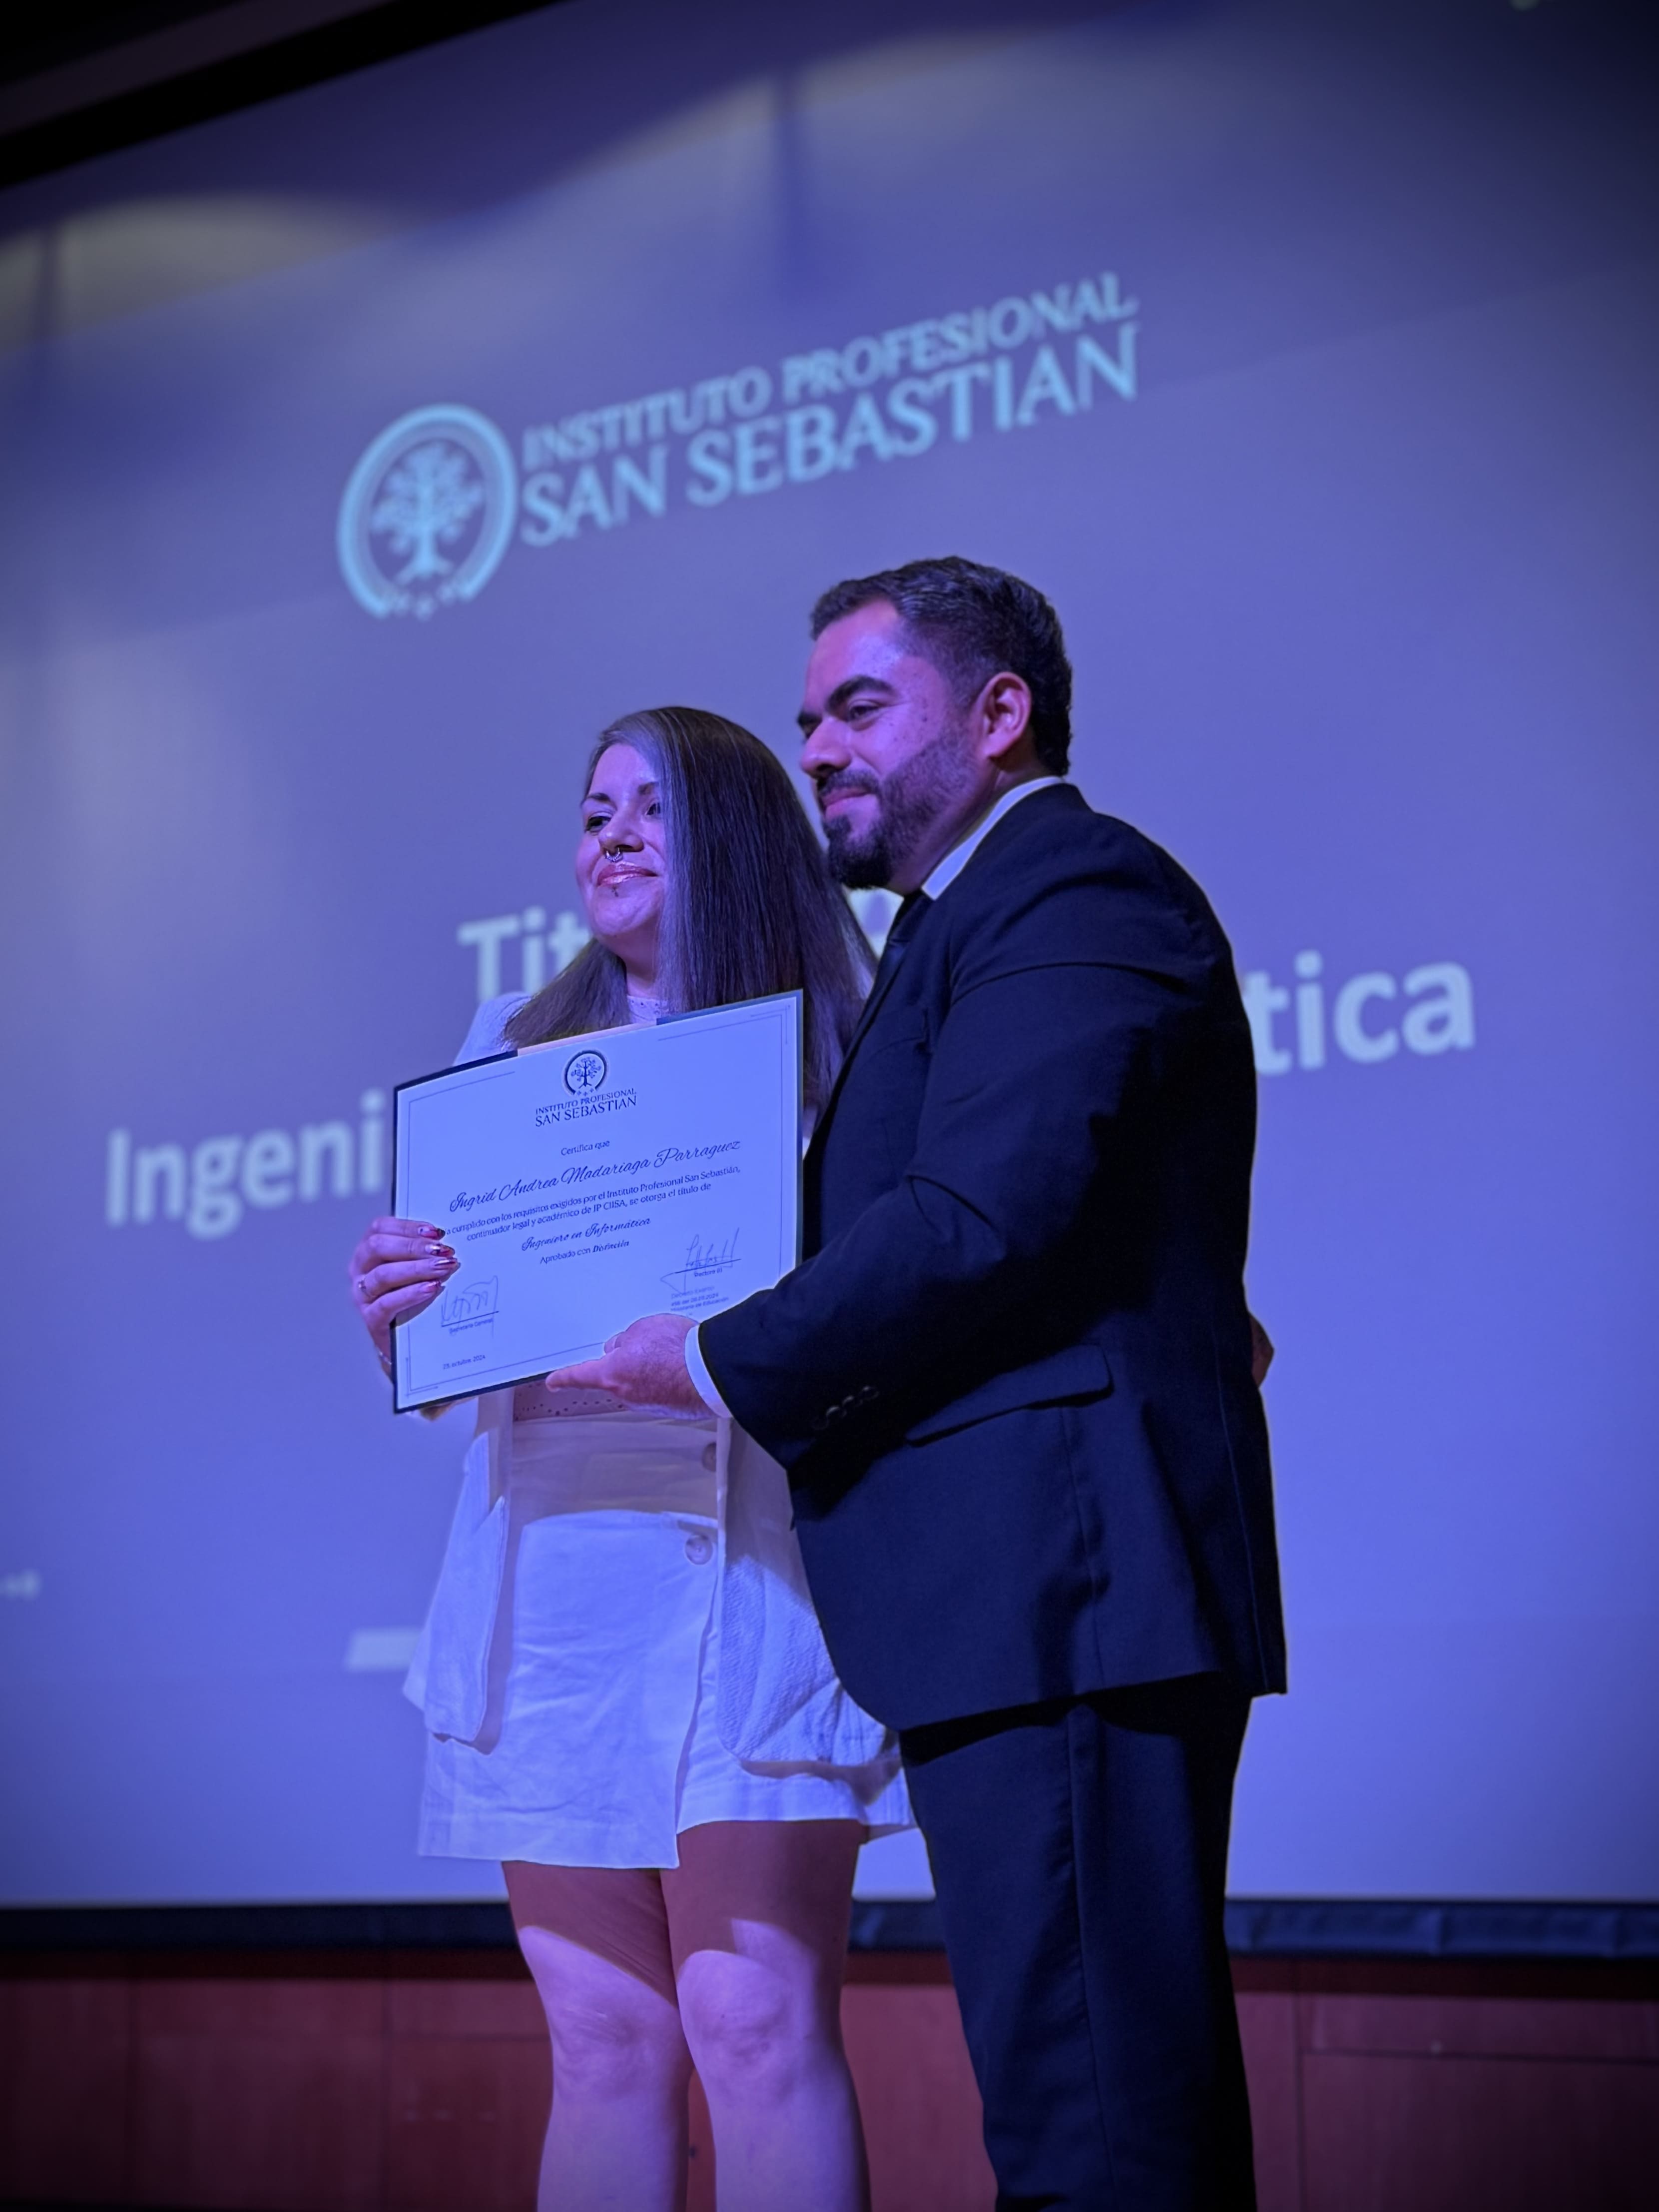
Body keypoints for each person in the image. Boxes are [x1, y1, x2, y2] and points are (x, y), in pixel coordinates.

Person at [549, 560, 1287, 2210]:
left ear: (999, 712)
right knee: (1081, 2109)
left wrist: (713, 1353)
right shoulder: (957, 928)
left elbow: (979, 1214)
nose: (817, 746)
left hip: (1067, 1591)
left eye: (860, 707)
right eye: (808, 717)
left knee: (1099, 2126)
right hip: (1017, 1604)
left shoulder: (1070, 886)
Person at [348, 707, 912, 2212]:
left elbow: (880, 1311)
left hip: (748, 1574)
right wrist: (402, 1314)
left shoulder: (839, 1048)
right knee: (601, 2041)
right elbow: (459, 1351)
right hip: (551, 1586)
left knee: (753, 2023)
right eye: (592, 810)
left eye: (649, 808)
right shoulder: (508, 1045)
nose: (608, 836)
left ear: (734, 833)